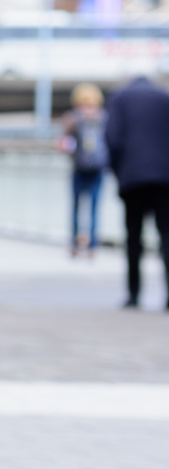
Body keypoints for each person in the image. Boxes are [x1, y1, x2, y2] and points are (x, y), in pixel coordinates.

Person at [105, 75, 169, 309]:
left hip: (132, 178)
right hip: (165, 179)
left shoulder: (119, 98)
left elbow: (112, 138)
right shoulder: (165, 97)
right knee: (167, 237)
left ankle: (134, 296)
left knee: (134, 239)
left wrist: (118, 172)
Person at [62, 83, 110, 258]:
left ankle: (75, 244)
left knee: (76, 207)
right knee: (94, 208)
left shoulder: (74, 119)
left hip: (79, 168)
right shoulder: (104, 118)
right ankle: (92, 246)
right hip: (98, 169)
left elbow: (64, 143)